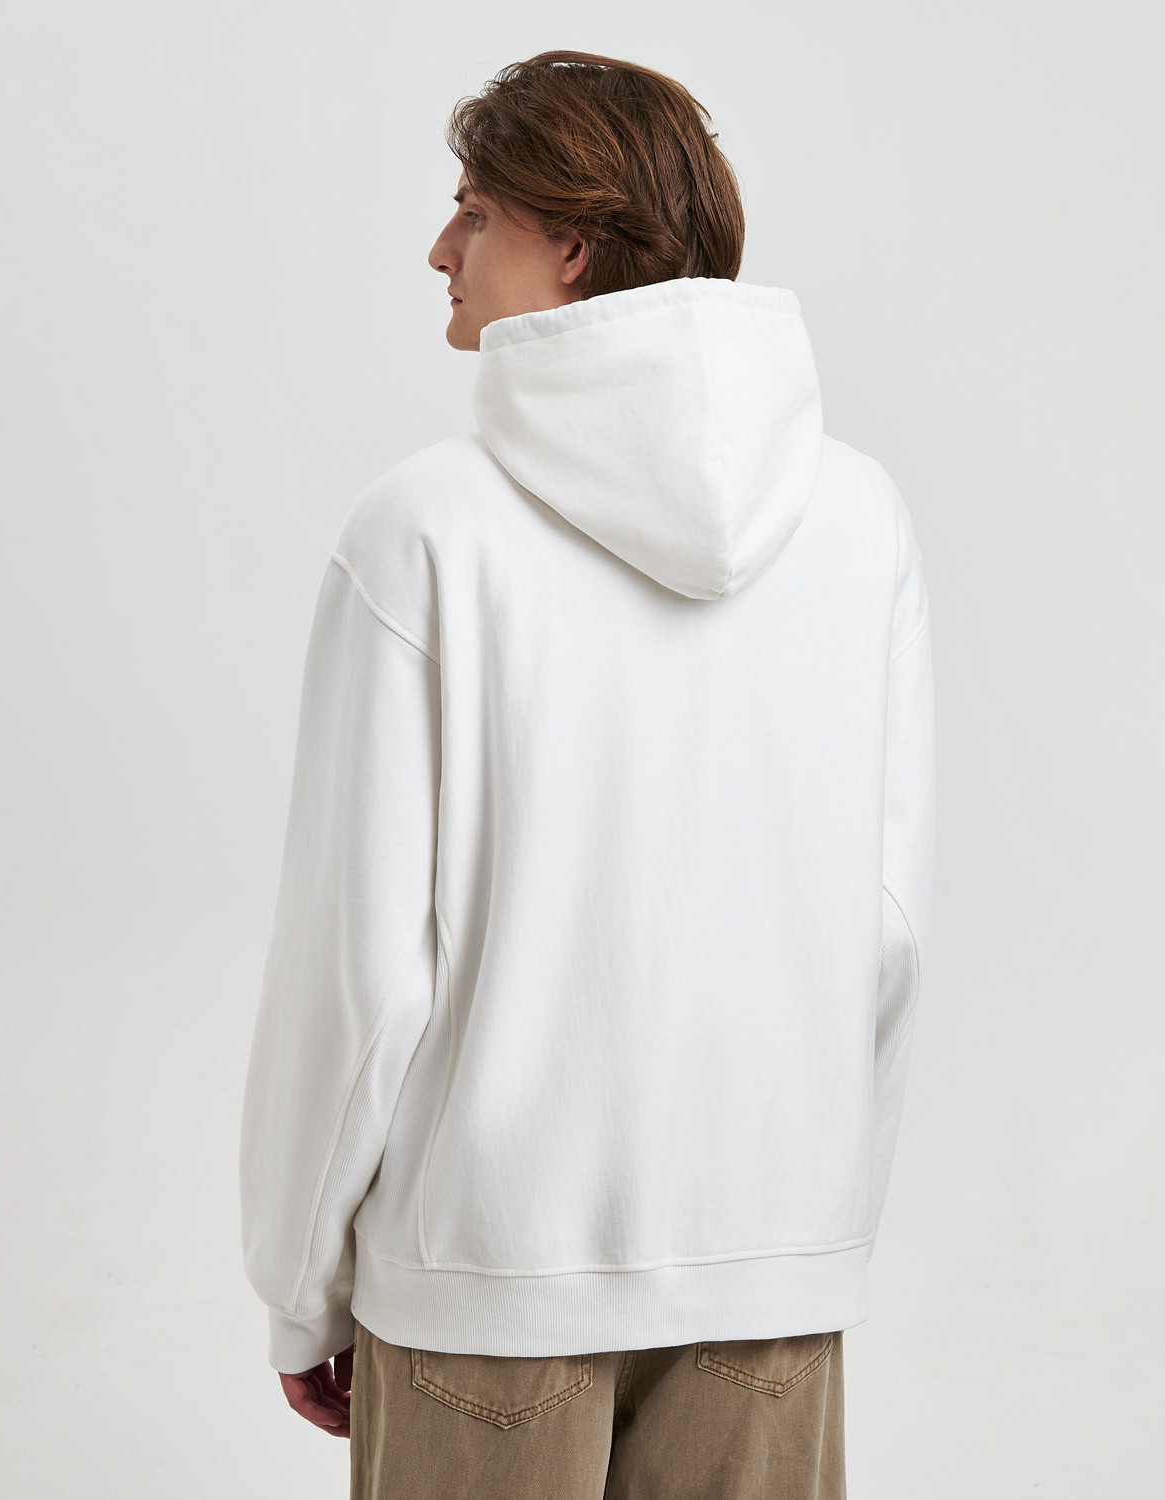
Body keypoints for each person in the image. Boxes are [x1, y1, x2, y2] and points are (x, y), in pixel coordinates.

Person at [239, 50, 935, 1499]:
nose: (440, 248)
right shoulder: (859, 518)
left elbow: (360, 975)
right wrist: (809, 1235)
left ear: (571, 243)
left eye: (474, 209)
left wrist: (303, 1286)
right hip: (770, 1269)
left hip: (487, 1278)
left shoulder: (425, 532)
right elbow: (886, 934)